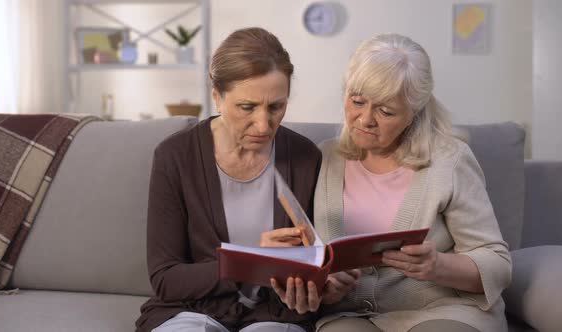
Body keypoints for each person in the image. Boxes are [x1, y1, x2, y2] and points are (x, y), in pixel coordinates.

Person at [309, 33, 512, 332]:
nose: (365, 119)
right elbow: (306, 256)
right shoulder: (323, 158)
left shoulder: (449, 159)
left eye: (386, 111)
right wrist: (325, 284)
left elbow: (498, 263)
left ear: (413, 113)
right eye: (357, 102)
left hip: (444, 309)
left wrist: (438, 266)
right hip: (350, 315)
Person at [135, 27, 322, 332]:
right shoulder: (175, 156)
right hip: (191, 311)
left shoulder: (306, 157)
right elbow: (166, 279)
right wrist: (250, 261)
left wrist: (320, 288)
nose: (263, 124)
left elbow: (315, 262)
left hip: (274, 315)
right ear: (217, 97)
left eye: (276, 106)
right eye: (247, 107)